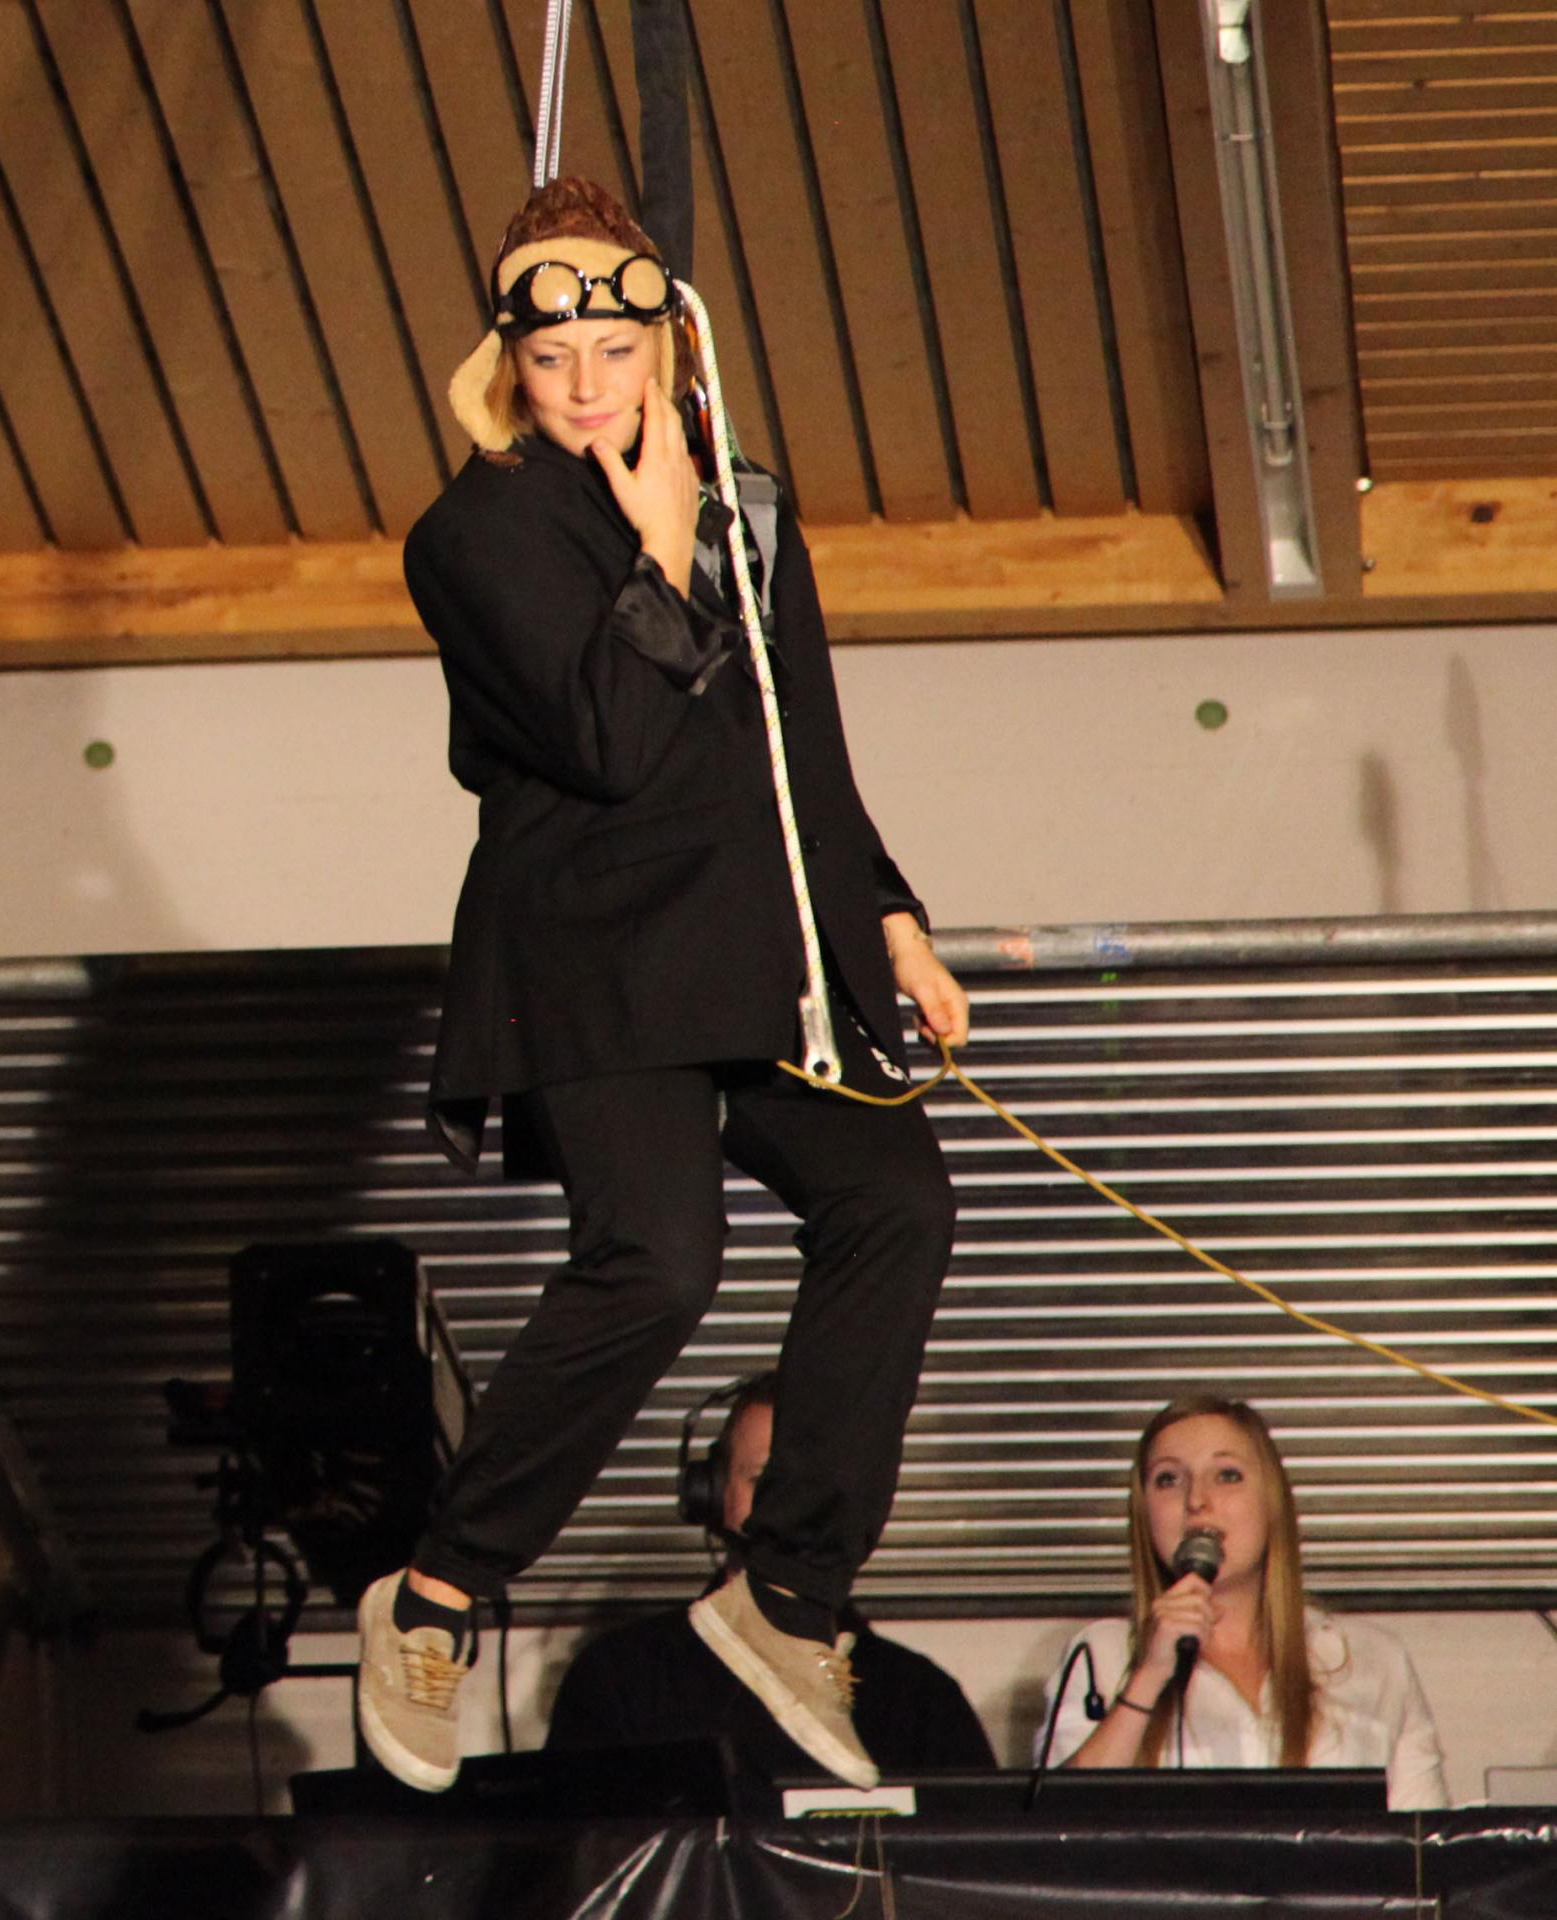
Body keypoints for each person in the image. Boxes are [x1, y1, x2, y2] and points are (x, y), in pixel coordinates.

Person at [353, 176, 967, 1796]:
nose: (584, 384)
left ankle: (790, 1594)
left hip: (751, 940)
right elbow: (611, 742)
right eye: (552, 355)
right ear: (507, 360)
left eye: (614, 351)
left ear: (665, 348)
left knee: (898, 1197)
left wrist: (887, 918)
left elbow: (795, 739)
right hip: (593, 951)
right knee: (658, 1259)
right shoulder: (474, 532)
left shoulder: (744, 505)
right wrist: (659, 542)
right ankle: (438, 1592)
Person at [545, 1375, 995, 1776]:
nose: (789, 1511)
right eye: (765, 1482)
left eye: (812, 1489)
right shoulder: (621, 1680)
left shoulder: (923, 1701)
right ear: (711, 1493)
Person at [1037, 1396, 1448, 1809]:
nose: (1197, 1500)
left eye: (1227, 1475)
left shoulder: (1373, 1659)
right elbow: (1058, 1827)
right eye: (1168, 1479)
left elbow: (1423, 1839)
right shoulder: (1100, 1656)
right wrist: (1149, 1676)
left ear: (1271, 1502)